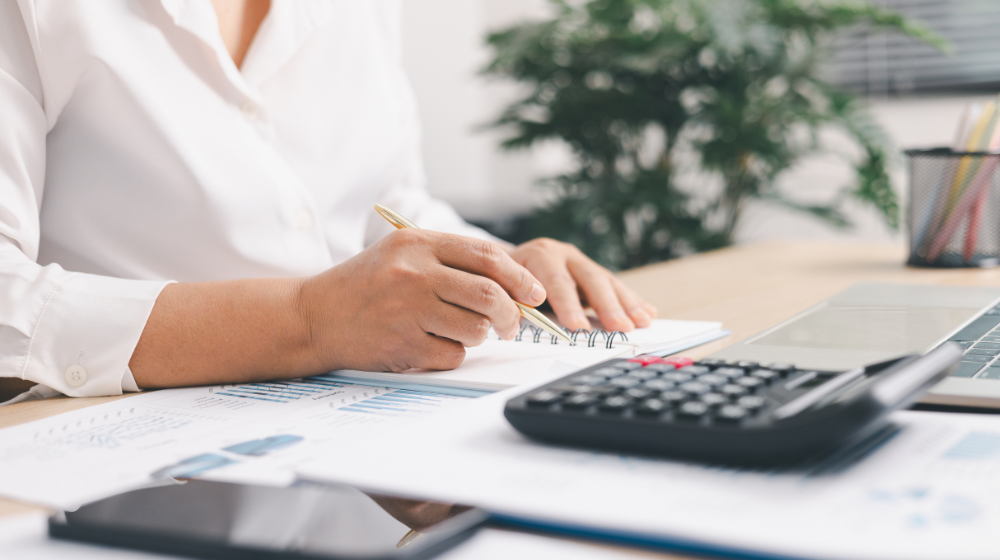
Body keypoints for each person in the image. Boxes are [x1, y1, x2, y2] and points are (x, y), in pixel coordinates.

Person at [0, 0, 656, 404]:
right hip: (117, 474)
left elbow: (389, 206)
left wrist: (496, 266)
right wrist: (310, 320)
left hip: (363, 458)